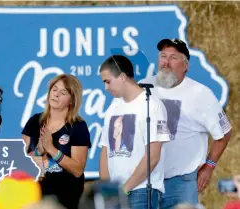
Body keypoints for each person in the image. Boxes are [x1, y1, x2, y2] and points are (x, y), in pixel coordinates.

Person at [139, 38, 232, 208]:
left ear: (186, 65)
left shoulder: (201, 94)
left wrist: (209, 166)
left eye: (173, 57)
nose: (166, 62)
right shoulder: (143, 87)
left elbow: (224, 133)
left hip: (180, 184)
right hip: (145, 182)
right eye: (163, 56)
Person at [98, 55, 170, 209]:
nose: (106, 88)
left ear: (123, 77)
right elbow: (105, 151)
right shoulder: (113, 107)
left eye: (108, 81)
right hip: (114, 195)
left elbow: (153, 155)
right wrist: (107, 189)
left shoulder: (153, 106)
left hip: (141, 192)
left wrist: (125, 189)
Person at [21, 74, 91, 209]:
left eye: (63, 92)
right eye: (54, 89)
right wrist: (38, 151)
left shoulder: (78, 126)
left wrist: (51, 149)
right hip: (35, 198)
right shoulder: (34, 121)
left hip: (65, 199)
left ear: (72, 100)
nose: (56, 94)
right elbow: (20, 162)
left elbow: (77, 170)